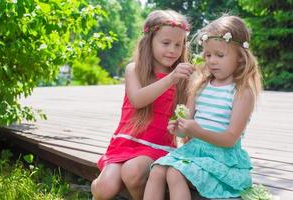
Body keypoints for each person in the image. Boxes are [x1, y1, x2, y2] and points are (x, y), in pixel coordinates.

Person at [144, 15, 262, 200]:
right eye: (208, 55)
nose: (212, 61)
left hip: (221, 157)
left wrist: (196, 132)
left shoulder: (242, 92)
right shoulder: (200, 86)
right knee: (158, 170)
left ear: (240, 57)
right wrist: (179, 129)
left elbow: (230, 139)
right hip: (194, 151)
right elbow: (187, 127)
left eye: (219, 55)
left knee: (174, 173)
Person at [91, 9, 194, 200]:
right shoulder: (135, 69)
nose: (172, 50)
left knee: (132, 172)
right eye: (166, 43)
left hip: (158, 146)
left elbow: (185, 120)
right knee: (104, 188)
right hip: (125, 142)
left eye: (178, 45)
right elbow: (138, 100)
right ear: (149, 42)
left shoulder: (183, 79)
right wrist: (171, 78)